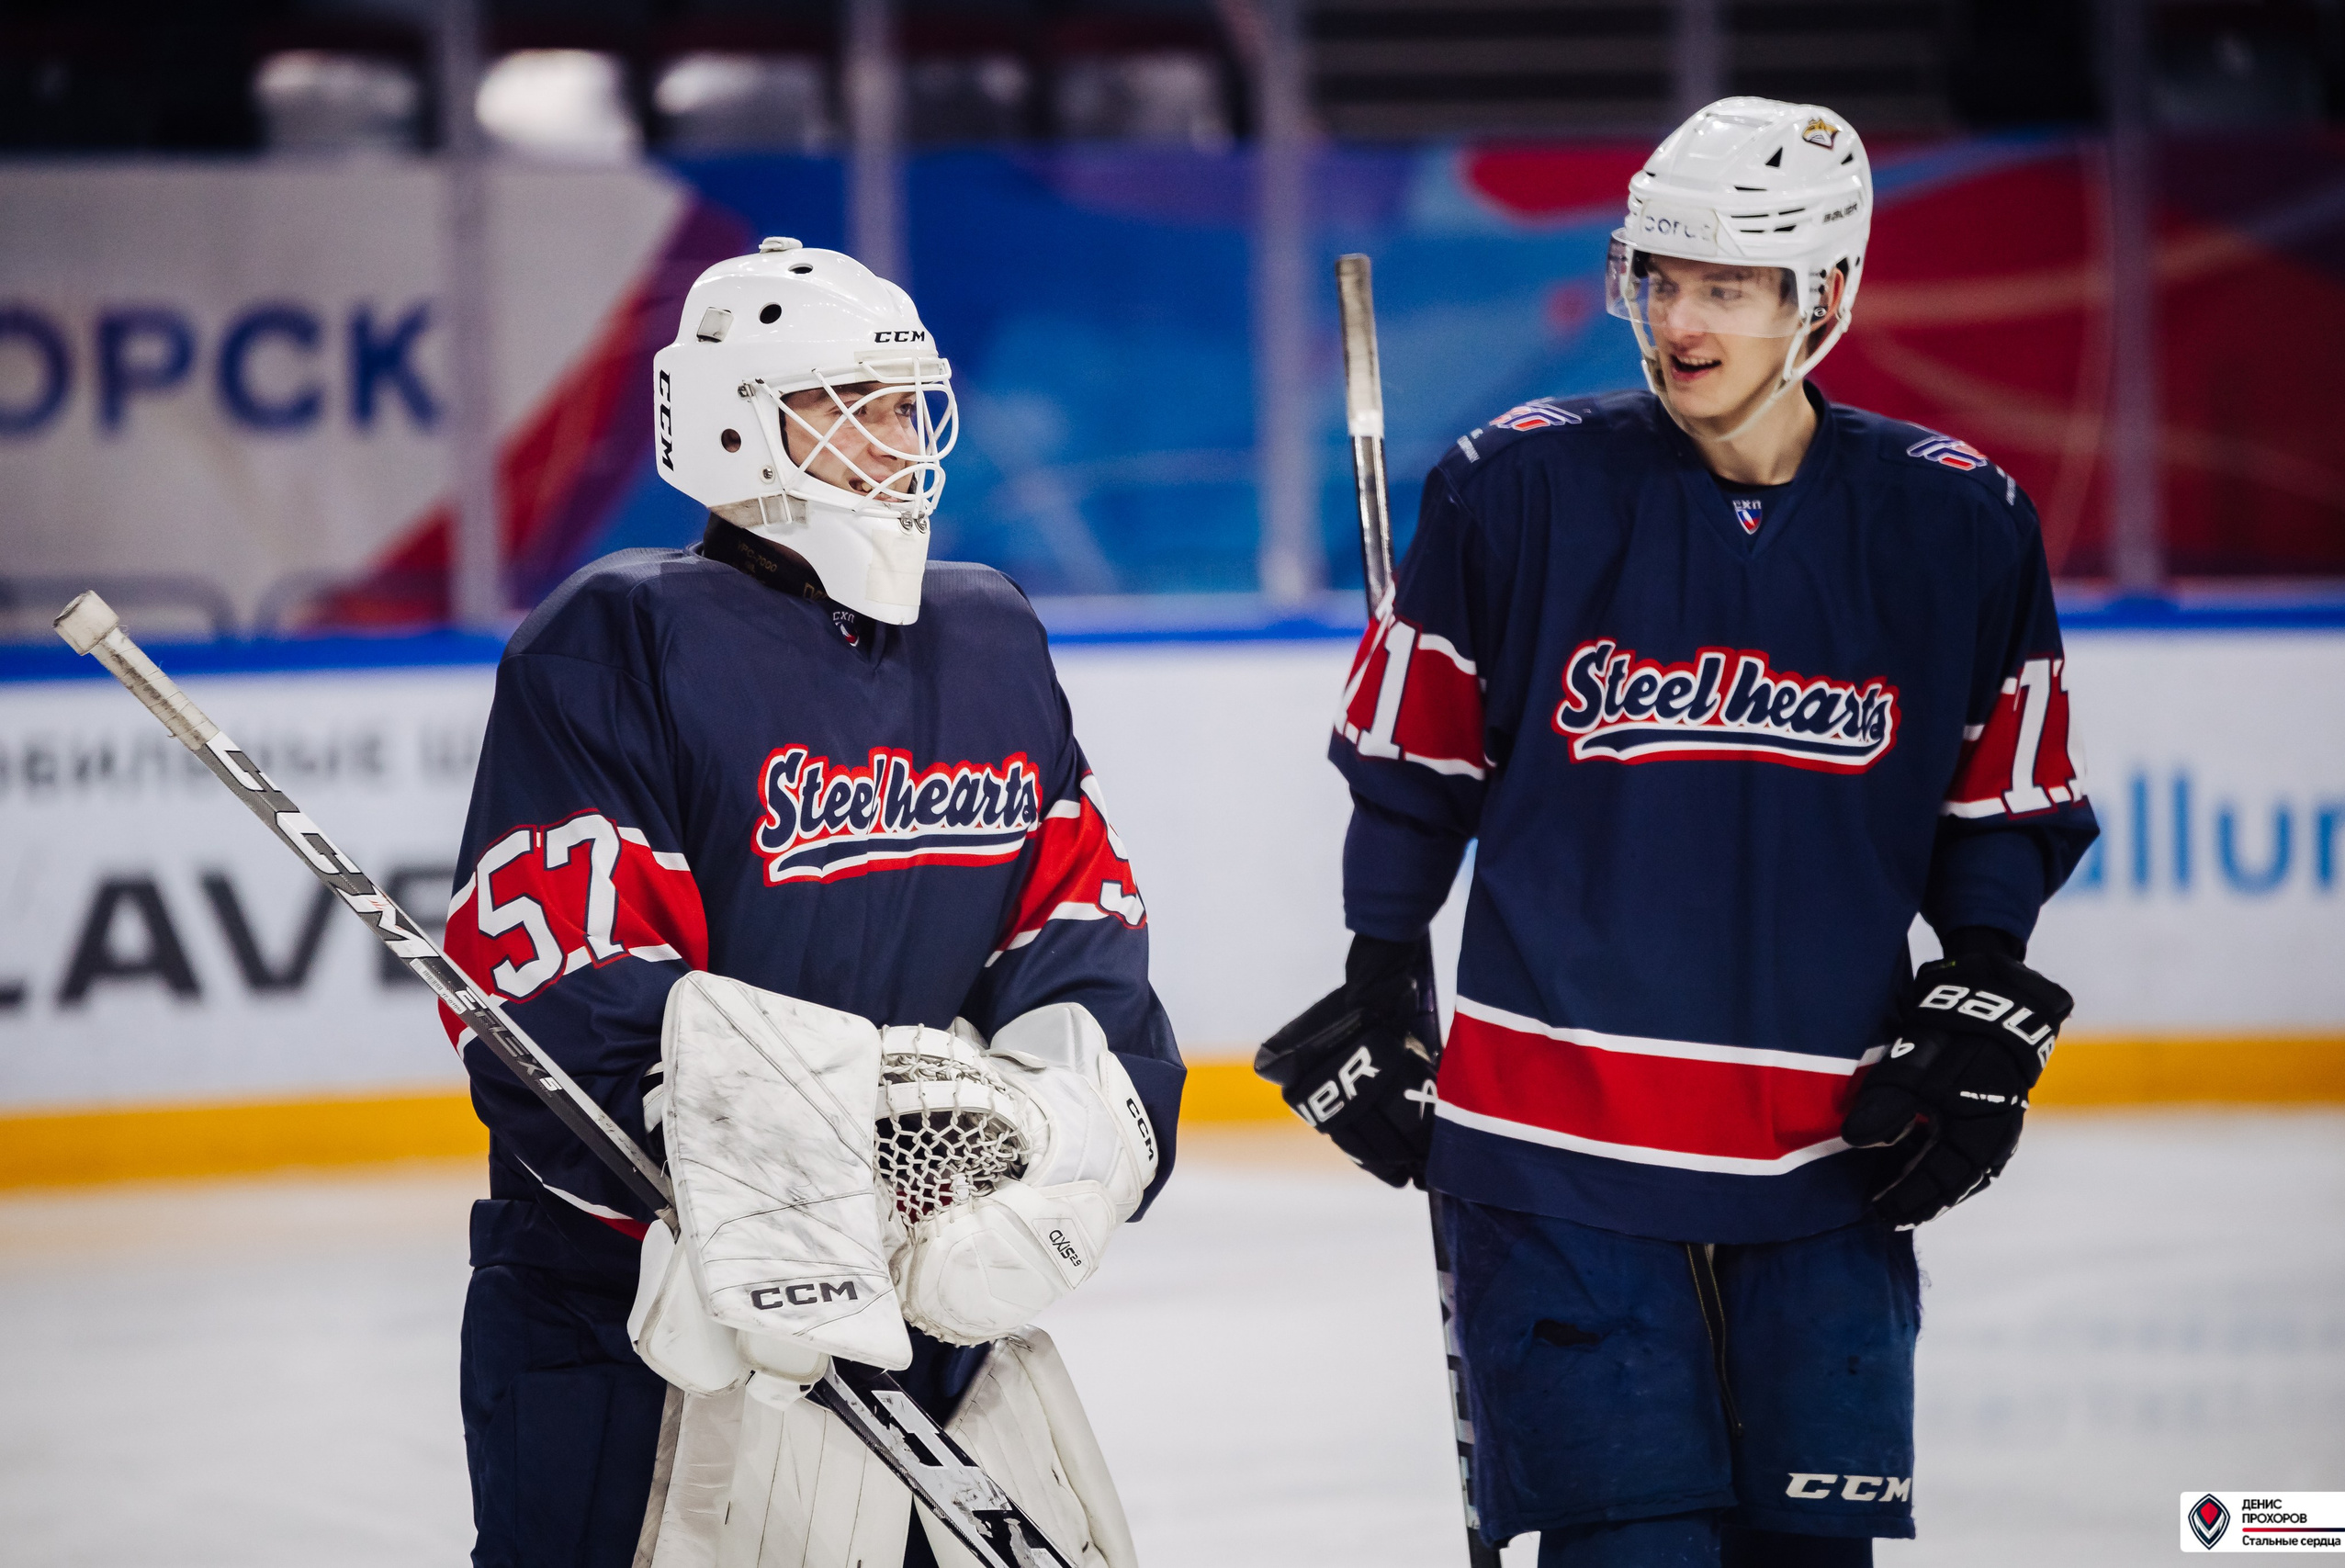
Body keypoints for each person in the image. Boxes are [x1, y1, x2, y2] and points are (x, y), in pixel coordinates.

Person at [1256, 98, 2096, 1567]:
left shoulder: (1959, 521)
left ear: (1824, 294)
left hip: (1829, 1153)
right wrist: (1382, 960)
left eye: (1729, 286)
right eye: (1662, 276)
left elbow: (2001, 800)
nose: (1683, 320)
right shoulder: (1513, 490)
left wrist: (1979, 995)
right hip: (1552, 1147)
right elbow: (1415, 768)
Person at [445, 237, 1183, 1567]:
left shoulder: (990, 639)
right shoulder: (616, 639)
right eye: (856, 408)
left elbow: (1081, 935)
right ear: (737, 427)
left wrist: (1068, 1164)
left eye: (911, 406)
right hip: (639, 1320)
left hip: (926, 1316)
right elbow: (566, 984)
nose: (901, 442)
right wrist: (780, 1208)